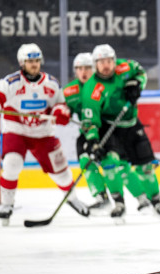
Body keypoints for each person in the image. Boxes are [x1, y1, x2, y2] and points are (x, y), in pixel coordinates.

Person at [0, 43, 90, 226]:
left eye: (36, 60)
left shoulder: (51, 83)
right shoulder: (10, 82)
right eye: (30, 61)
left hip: (43, 133)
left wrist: (60, 113)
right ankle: (7, 205)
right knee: (12, 164)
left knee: (61, 171)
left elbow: (60, 104)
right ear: (21, 62)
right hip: (16, 130)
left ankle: (72, 199)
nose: (34, 64)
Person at [80, 44, 160, 220]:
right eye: (101, 62)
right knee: (110, 163)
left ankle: (156, 202)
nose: (106, 65)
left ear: (114, 61)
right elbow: (90, 120)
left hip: (131, 124)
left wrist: (137, 85)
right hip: (110, 128)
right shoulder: (91, 88)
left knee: (145, 167)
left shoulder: (126, 67)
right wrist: (93, 141)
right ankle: (118, 203)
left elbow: (141, 73)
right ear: (95, 64)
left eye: (109, 61)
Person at [64, 52, 111, 212]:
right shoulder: (70, 91)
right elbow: (63, 110)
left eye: (87, 68)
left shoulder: (104, 85)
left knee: (111, 162)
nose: (83, 72)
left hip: (109, 131)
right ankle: (101, 197)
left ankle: (131, 198)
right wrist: (60, 114)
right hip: (88, 133)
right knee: (85, 159)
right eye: (79, 68)